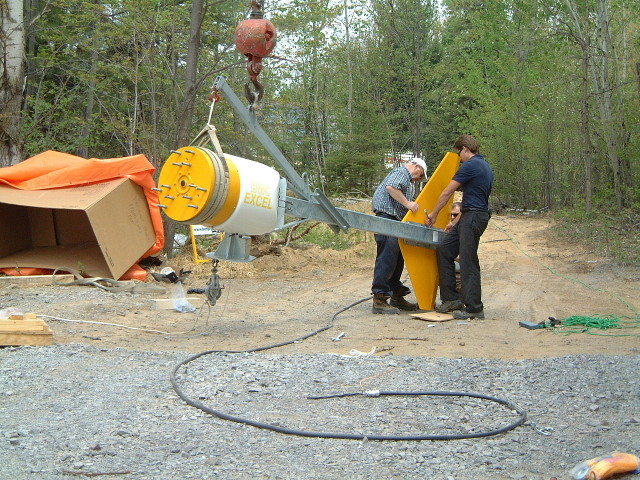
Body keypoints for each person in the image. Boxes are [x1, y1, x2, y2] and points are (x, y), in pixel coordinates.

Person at [426, 135, 493, 319]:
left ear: (464, 149)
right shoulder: (485, 166)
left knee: (468, 260)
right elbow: (476, 198)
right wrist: (456, 222)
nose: (459, 157)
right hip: (471, 215)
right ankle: (451, 300)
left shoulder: (470, 165)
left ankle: (474, 308)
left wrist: (433, 214)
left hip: (473, 216)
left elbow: (448, 191)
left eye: (459, 153)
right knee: (446, 249)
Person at [371, 157, 427, 314]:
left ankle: (396, 294)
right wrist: (408, 204)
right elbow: (391, 187)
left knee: (397, 259)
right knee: (387, 258)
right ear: (416, 167)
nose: (418, 179)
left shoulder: (406, 180)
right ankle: (380, 299)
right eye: (420, 175)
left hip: (396, 222)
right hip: (387, 218)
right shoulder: (402, 172)